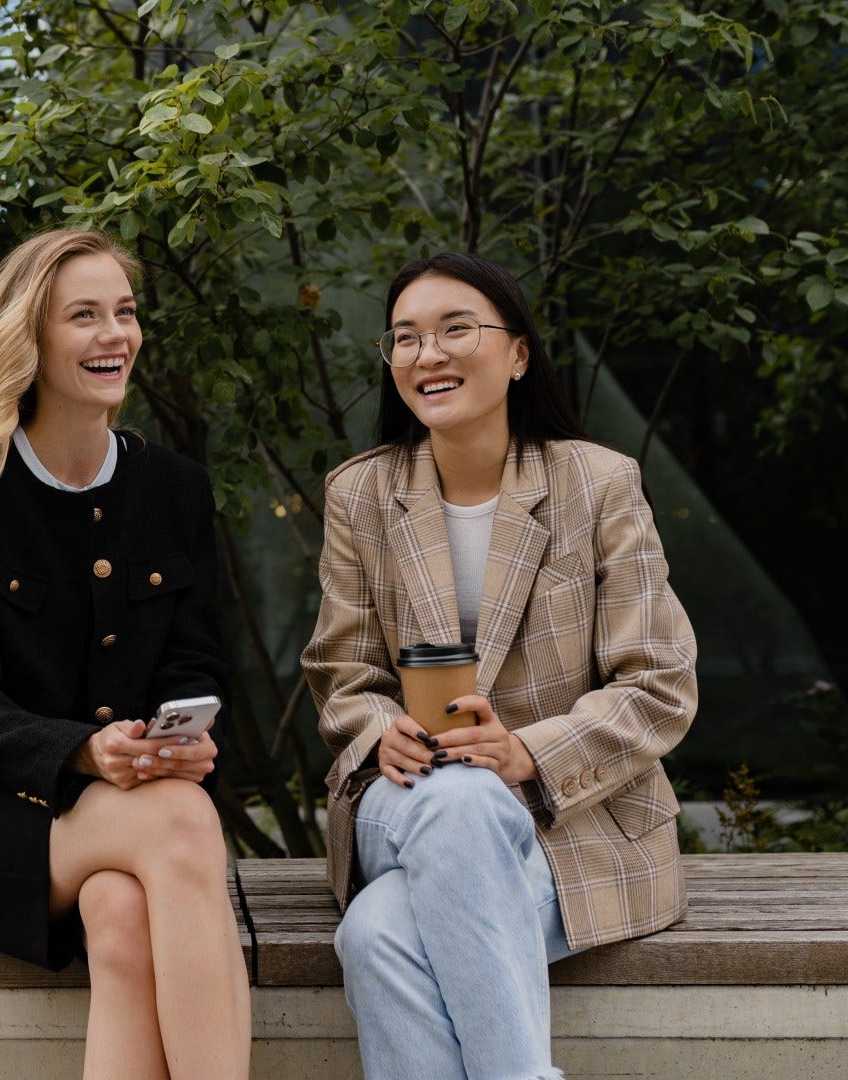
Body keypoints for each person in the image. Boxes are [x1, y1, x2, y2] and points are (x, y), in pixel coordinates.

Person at [300, 252, 698, 1079]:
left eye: (455, 329)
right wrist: (381, 733)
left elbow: (658, 682)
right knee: (459, 797)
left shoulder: (597, 485)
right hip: (404, 804)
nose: (427, 354)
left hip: (575, 823)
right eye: (405, 338)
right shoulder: (362, 495)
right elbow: (342, 673)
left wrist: (528, 752)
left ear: (518, 353)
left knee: (377, 938)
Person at [0, 228, 251, 1079]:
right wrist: (81, 752)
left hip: (134, 812)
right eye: (83, 316)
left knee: (122, 917)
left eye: (124, 313)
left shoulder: (173, 489)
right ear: (31, 338)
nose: (114, 335)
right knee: (184, 824)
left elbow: (196, 660)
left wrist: (188, 729)